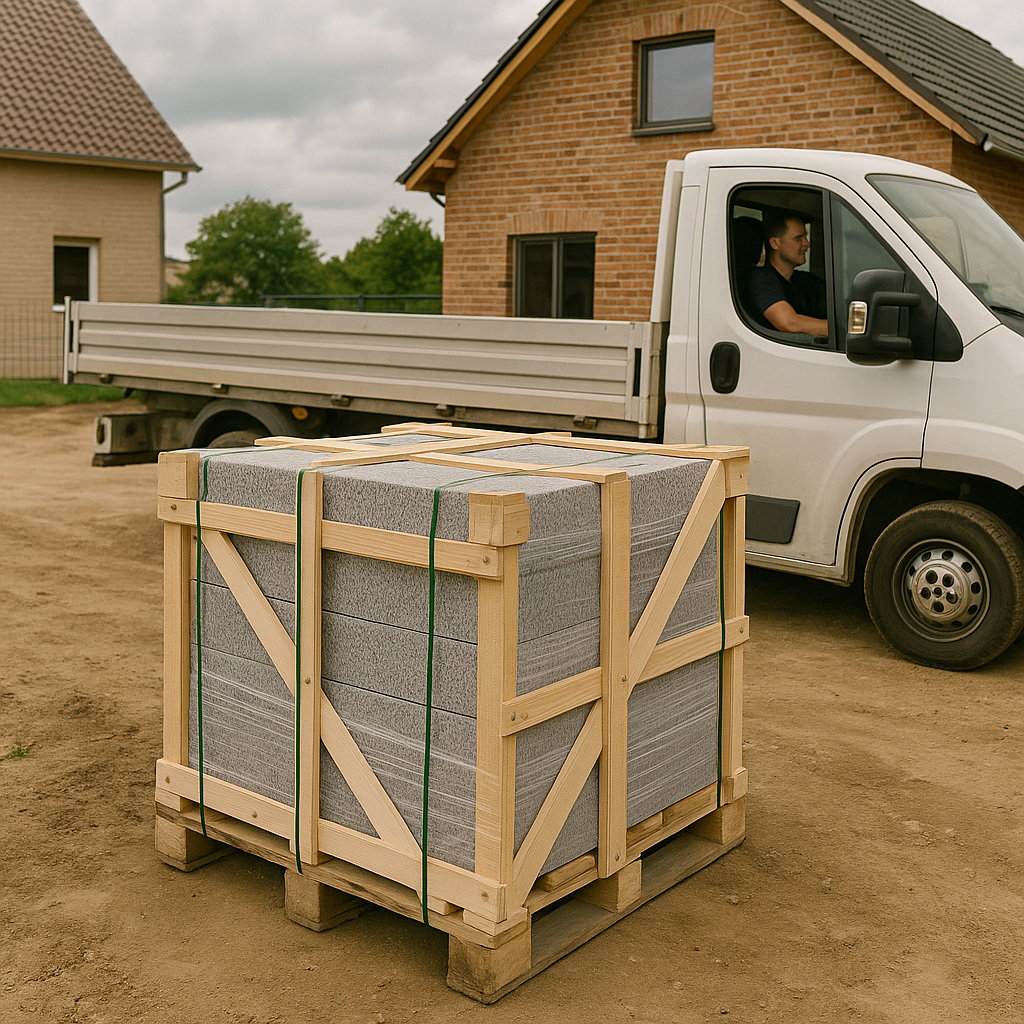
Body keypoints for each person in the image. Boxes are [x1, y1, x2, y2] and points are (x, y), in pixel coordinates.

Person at [747, 211, 828, 336]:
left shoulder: (807, 281)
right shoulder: (761, 281)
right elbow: (788, 323)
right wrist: (841, 330)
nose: (807, 243)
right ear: (775, 243)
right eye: (798, 238)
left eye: (805, 237)